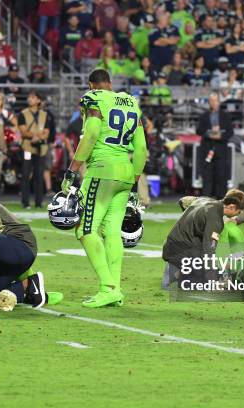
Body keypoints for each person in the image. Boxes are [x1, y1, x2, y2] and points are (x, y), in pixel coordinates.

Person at [61, 68, 147, 307]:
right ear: (110, 83)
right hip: (126, 172)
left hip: (102, 170)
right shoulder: (131, 102)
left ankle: (107, 287)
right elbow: (141, 149)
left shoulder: (93, 98)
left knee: (84, 230)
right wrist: (135, 180)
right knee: (111, 232)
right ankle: (116, 290)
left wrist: (72, 169)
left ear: (91, 86)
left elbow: (90, 136)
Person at [162, 189, 244, 289]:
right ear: (232, 207)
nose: (236, 217)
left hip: (171, 246)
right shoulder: (216, 221)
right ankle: (176, 278)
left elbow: (183, 200)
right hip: (181, 252)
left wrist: (189, 223)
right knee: (205, 276)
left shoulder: (204, 200)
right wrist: (212, 282)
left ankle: (177, 275)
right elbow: (209, 251)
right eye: (238, 213)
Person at [196, 93, 233, 199]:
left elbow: (230, 132)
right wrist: (210, 134)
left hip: (221, 148)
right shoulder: (204, 116)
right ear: (209, 102)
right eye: (211, 100)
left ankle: (221, 199)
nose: (213, 103)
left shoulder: (225, 116)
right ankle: (206, 199)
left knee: (221, 175)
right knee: (207, 175)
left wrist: (220, 136)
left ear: (219, 102)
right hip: (207, 148)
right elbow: (199, 130)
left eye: (215, 100)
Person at [18, 91, 49, 209]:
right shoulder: (23, 114)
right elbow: (23, 131)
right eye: (29, 97)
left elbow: (47, 132)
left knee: (39, 175)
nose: (29, 99)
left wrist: (38, 137)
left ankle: (39, 202)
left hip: (41, 148)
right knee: (25, 175)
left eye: (33, 97)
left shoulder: (44, 115)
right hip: (27, 147)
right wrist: (35, 136)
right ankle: (25, 202)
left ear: (38, 100)